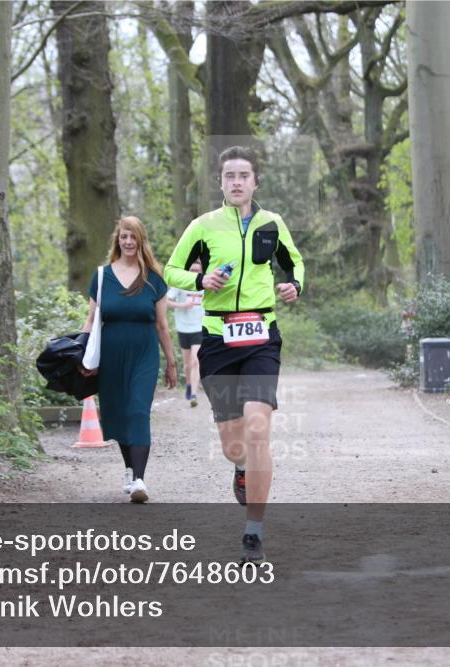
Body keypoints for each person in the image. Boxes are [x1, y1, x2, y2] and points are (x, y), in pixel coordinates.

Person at [164, 146, 304, 563]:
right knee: (234, 445)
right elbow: (169, 270)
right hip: (218, 339)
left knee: (259, 430)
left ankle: (253, 533)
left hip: (261, 335)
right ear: (221, 183)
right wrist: (198, 277)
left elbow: (294, 264)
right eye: (230, 176)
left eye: (244, 175)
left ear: (256, 181)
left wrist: (294, 285)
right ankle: (241, 470)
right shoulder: (203, 227)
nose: (237, 181)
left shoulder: (272, 224)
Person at [81, 216, 176, 504]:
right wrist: (82, 355)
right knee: (118, 413)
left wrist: (171, 362)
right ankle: (130, 469)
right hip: (110, 355)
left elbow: (162, 325)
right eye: (124, 236)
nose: (129, 242)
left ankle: (139, 480)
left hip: (144, 353)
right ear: (117, 239)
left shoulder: (154, 279)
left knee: (137, 410)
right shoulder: (101, 276)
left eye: (133, 237)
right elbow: (91, 319)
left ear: (141, 240)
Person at [166, 260, 205, 407]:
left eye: (198, 271)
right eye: (192, 271)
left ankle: (193, 394)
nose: (195, 274)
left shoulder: (205, 285)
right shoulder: (180, 284)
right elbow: (166, 301)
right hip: (183, 327)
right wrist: (182, 305)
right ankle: (189, 385)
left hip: (199, 327)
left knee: (196, 361)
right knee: (187, 365)